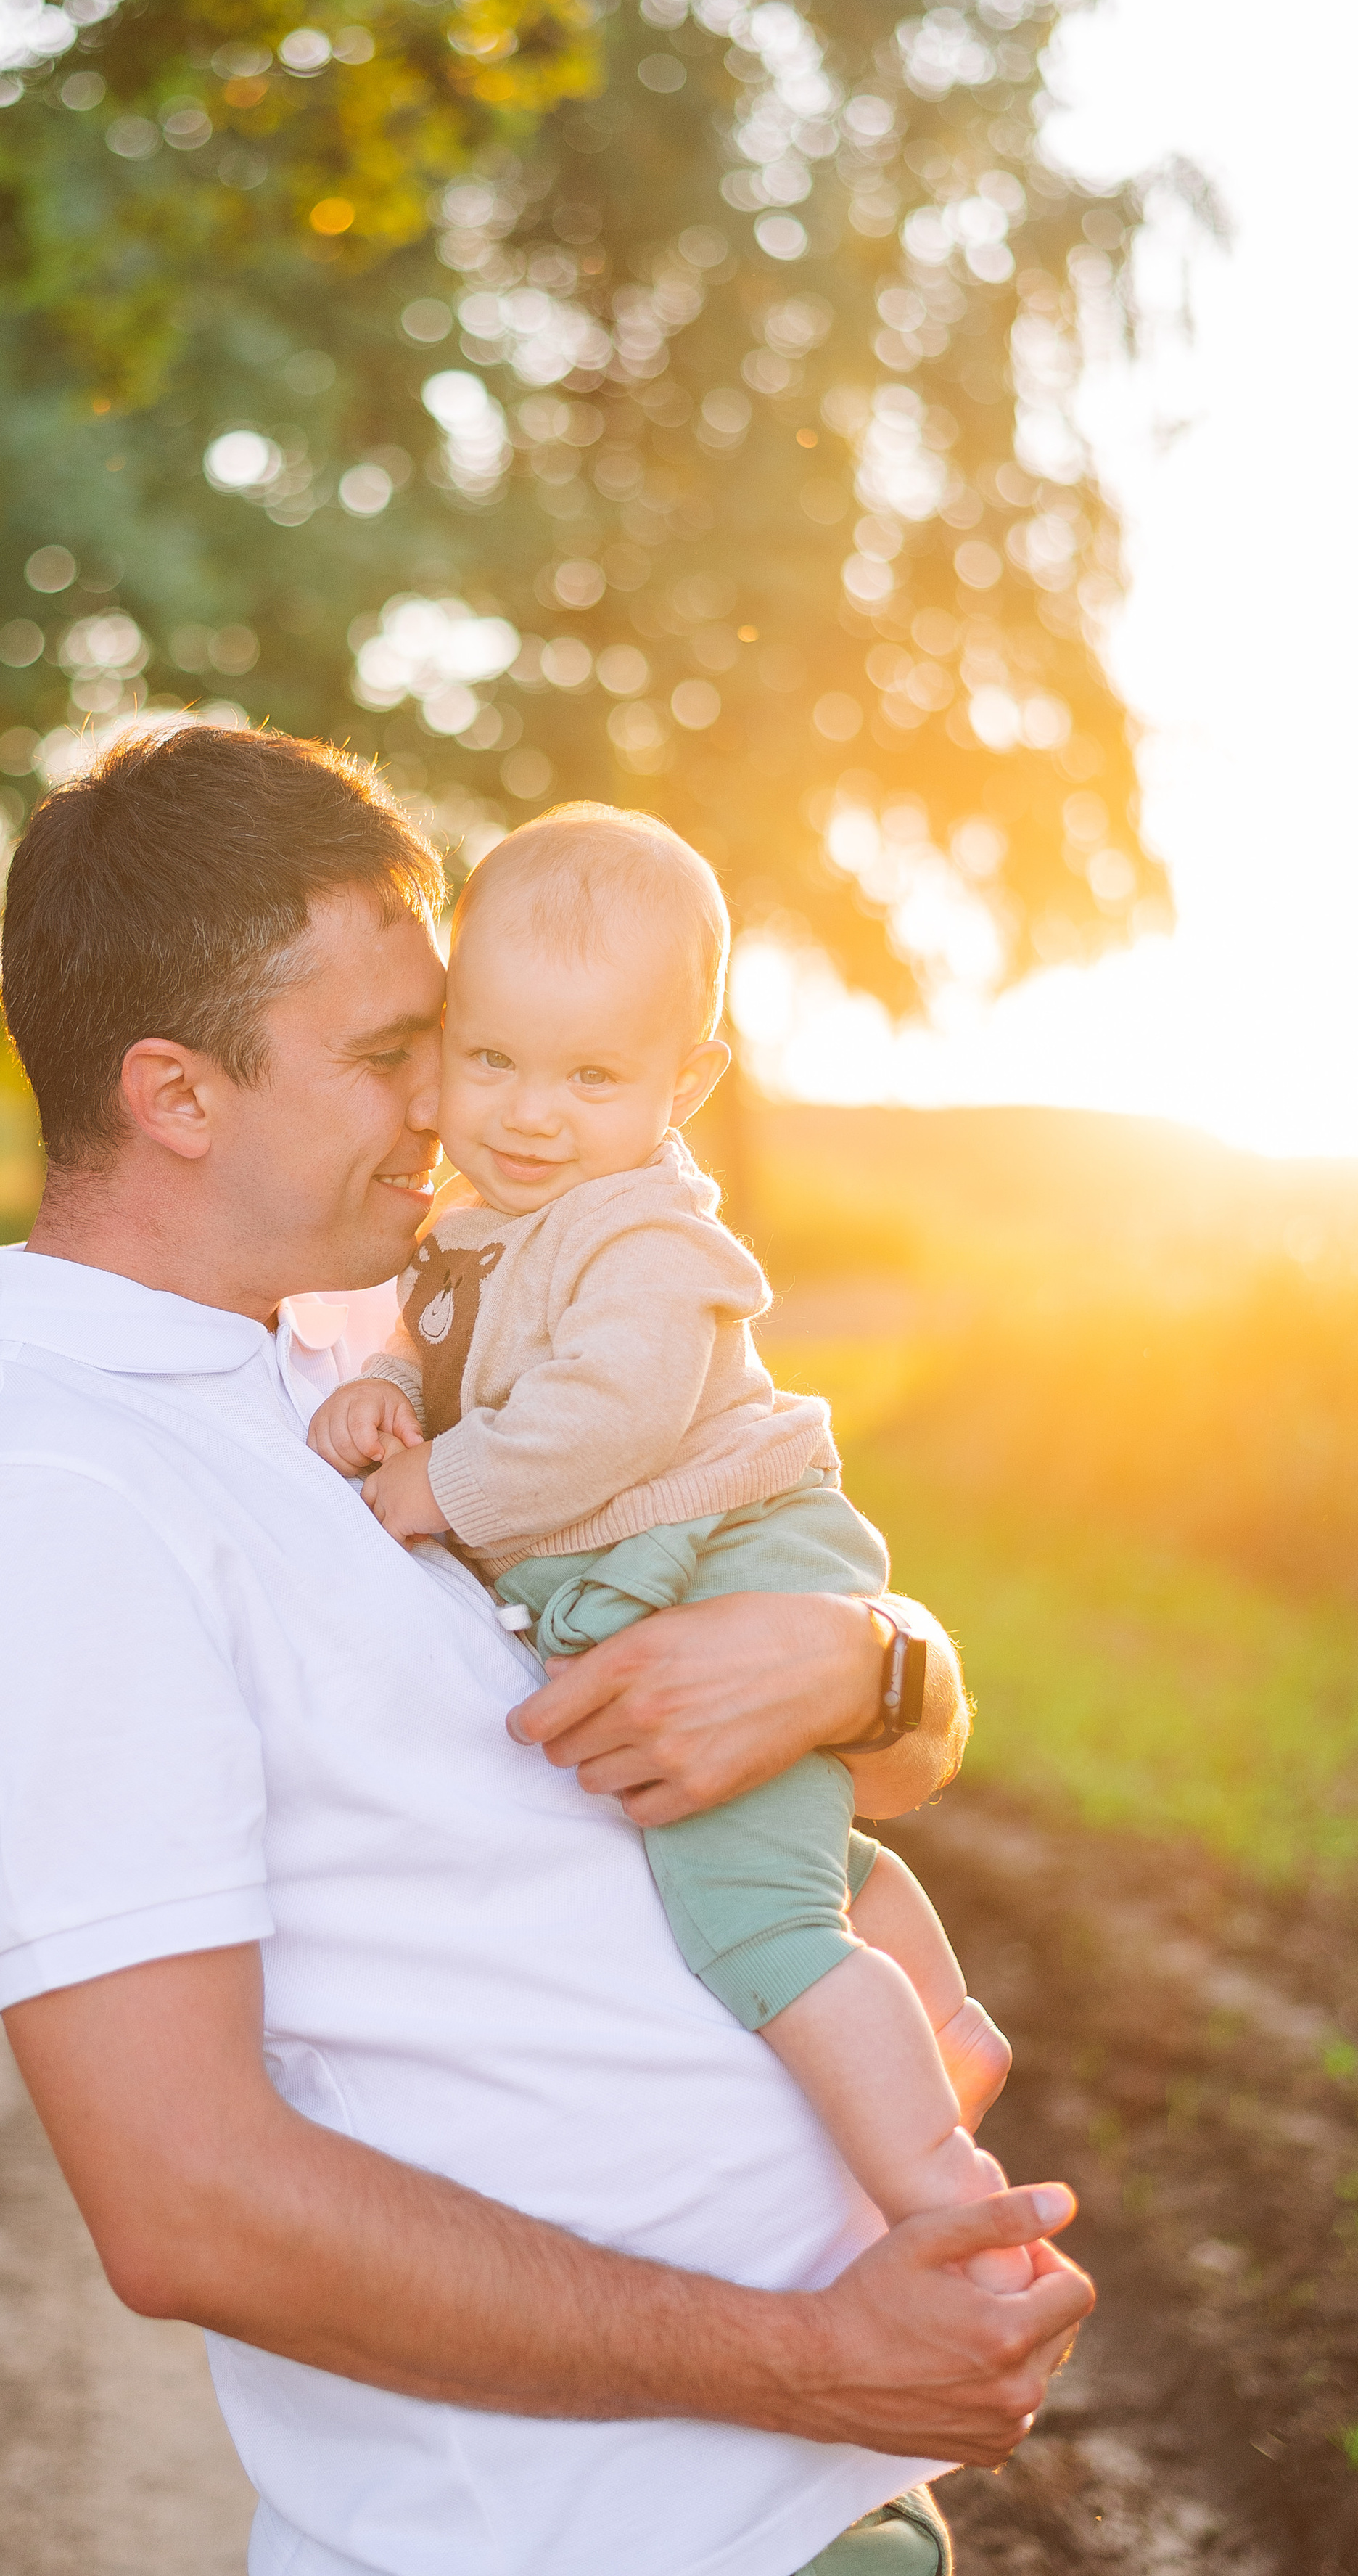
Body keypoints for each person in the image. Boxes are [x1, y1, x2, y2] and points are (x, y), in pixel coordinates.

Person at [0, 723, 1093, 2576]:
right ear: (176, 1097)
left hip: (796, 2504)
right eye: (386, 1058)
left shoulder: (356, 1359)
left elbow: (858, 1722)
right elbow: (186, 2207)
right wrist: (811, 2363)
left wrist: (865, 1663)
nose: (447, 1108)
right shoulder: (55, 1509)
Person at [308, 803, 1028, 2305]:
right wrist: (381, 1380)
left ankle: (938, 2189)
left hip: (731, 1555)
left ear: (682, 1082)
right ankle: (941, 2031)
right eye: (492, 1058)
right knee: (802, 1848)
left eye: (590, 1076)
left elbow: (592, 1424)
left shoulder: (644, 1239)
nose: (526, 1111)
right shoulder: (476, 1222)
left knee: (745, 1913)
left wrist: (432, 1481)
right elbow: (437, 1341)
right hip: (679, 1562)